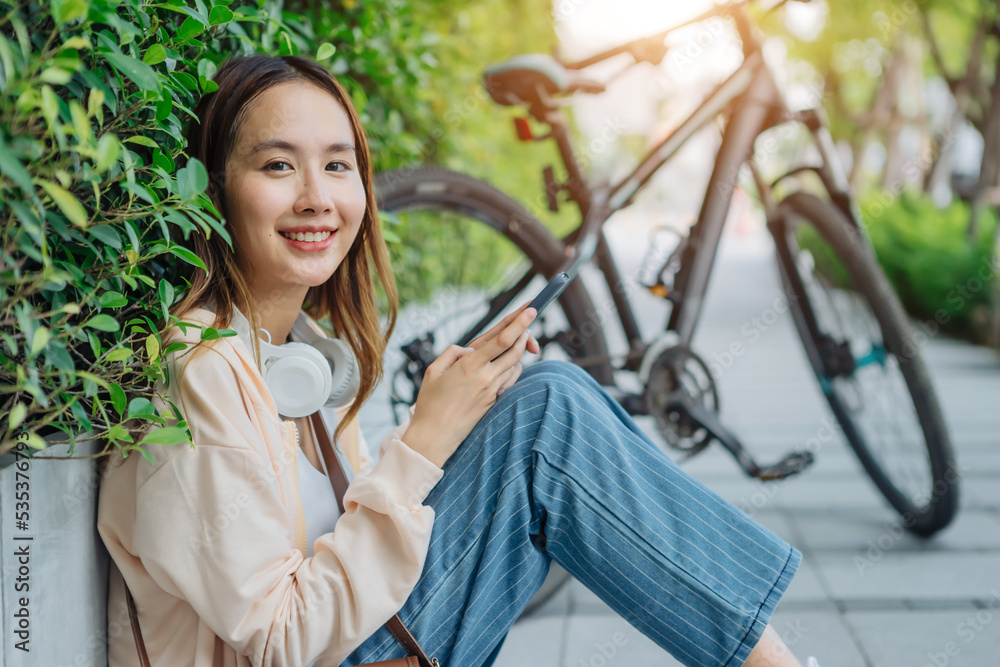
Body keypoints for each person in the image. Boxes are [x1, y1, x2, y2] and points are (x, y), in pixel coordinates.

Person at [98, 53, 813, 667]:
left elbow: (342, 548)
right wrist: (422, 444)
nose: (317, 197)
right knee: (547, 414)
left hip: (360, 639)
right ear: (215, 191)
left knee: (537, 403)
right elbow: (285, 637)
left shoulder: (298, 358)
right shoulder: (199, 369)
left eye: (338, 166)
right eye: (279, 165)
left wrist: (449, 425)